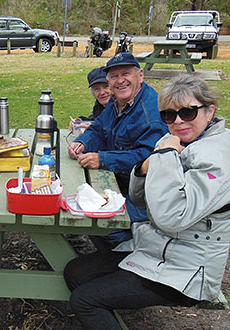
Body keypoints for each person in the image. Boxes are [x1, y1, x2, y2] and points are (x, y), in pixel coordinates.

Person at [64, 74, 230, 329]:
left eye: (188, 112)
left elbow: (172, 217)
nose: (178, 122)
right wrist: (142, 169)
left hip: (188, 270)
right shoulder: (176, 140)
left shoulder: (216, 155)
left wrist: (163, 156)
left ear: (210, 111)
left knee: (85, 300)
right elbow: (140, 199)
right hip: (157, 249)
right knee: (76, 272)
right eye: (169, 116)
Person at [67, 52, 168, 250]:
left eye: (126, 74)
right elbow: (98, 128)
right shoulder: (117, 103)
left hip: (144, 197)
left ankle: (124, 259)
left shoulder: (151, 113)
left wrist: (103, 159)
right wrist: (82, 142)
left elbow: (147, 159)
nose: (120, 80)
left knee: (103, 222)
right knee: (78, 198)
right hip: (119, 183)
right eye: (114, 76)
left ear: (140, 75)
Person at [68, 66, 112, 134]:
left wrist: (98, 130)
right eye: (97, 89)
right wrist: (81, 121)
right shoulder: (99, 106)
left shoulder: (122, 106)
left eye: (106, 86)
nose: (102, 92)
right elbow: (93, 120)